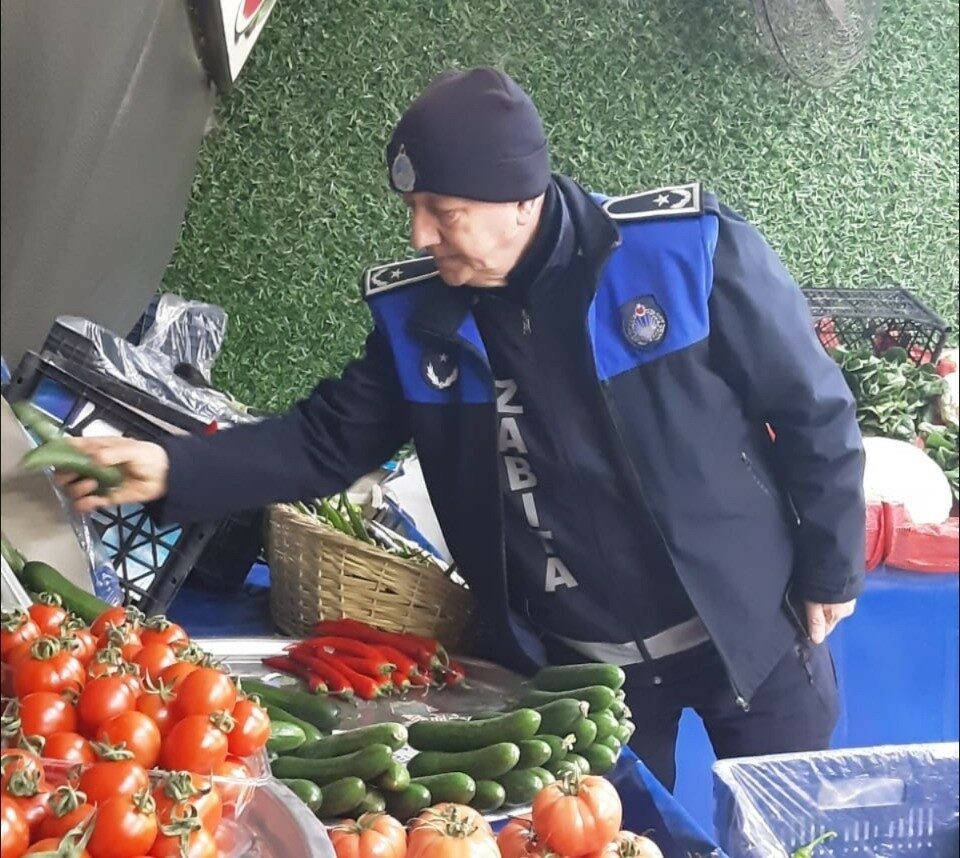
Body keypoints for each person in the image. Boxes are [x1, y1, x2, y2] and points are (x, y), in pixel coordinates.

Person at [61, 67, 865, 789]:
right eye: (414, 210)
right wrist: (174, 468)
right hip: (581, 672)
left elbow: (812, 409)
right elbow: (323, 440)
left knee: (789, 826)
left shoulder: (685, 253)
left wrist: (832, 569)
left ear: (522, 199)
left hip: (751, 630)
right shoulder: (421, 321)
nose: (419, 235)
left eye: (442, 212)